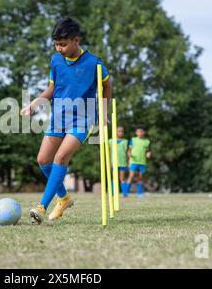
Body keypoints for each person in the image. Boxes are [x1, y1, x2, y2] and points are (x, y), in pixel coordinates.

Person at [20, 17, 112, 224]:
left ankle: (41, 207)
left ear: (76, 40)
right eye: (56, 44)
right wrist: (35, 102)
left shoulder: (94, 63)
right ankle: (64, 199)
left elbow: (107, 86)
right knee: (43, 160)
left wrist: (103, 111)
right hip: (59, 118)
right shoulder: (55, 60)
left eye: (63, 44)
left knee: (61, 158)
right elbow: (52, 89)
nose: (59, 48)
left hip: (83, 119)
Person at [127, 124, 152, 198]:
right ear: (136, 132)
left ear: (144, 132)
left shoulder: (147, 141)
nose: (140, 133)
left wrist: (148, 154)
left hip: (142, 162)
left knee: (140, 177)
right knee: (131, 176)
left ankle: (139, 193)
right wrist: (129, 156)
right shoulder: (133, 140)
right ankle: (126, 193)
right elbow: (129, 150)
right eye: (138, 132)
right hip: (133, 161)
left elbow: (148, 151)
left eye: (141, 131)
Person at [109, 126, 129, 198]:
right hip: (113, 162)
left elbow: (127, 153)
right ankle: (112, 193)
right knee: (114, 178)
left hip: (123, 162)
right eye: (119, 131)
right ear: (115, 132)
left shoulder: (125, 141)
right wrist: (109, 163)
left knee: (122, 178)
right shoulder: (110, 141)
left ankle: (125, 194)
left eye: (122, 131)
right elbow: (109, 152)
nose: (121, 133)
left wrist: (128, 162)